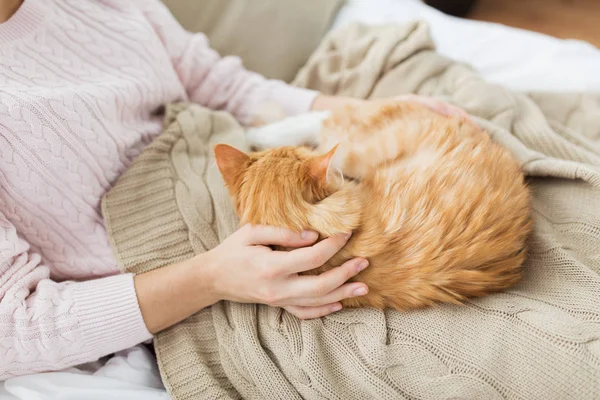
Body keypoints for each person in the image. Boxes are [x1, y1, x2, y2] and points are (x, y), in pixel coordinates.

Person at [0, 0, 467, 379]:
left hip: (252, 169)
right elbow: (14, 329)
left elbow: (219, 85)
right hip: (185, 278)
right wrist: (213, 278)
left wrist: (362, 112)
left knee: (465, 124)